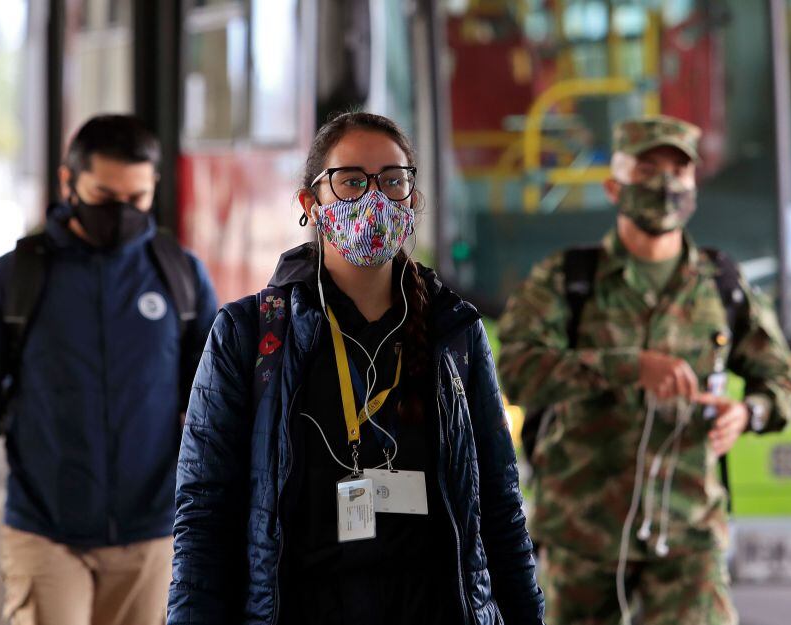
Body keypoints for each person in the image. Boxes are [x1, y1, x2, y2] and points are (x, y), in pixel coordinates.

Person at [167, 111, 544, 625]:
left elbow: (500, 506)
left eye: (392, 181)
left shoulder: (453, 332)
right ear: (311, 204)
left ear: (412, 199)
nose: (374, 199)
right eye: (351, 182)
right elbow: (204, 513)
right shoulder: (249, 335)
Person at [497, 115, 791, 625]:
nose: (665, 185)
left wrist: (748, 413)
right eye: (647, 170)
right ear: (614, 186)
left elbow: (783, 383)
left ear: (694, 188)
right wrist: (629, 367)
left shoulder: (721, 285)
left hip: (687, 533)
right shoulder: (569, 279)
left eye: (678, 172)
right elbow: (515, 371)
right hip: (583, 531)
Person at [0, 114, 218, 625]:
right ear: (69, 182)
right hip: (45, 530)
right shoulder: (16, 277)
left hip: (154, 531)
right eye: (104, 196)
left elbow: (216, 404)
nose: (121, 212)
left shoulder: (180, 275)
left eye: (137, 198)